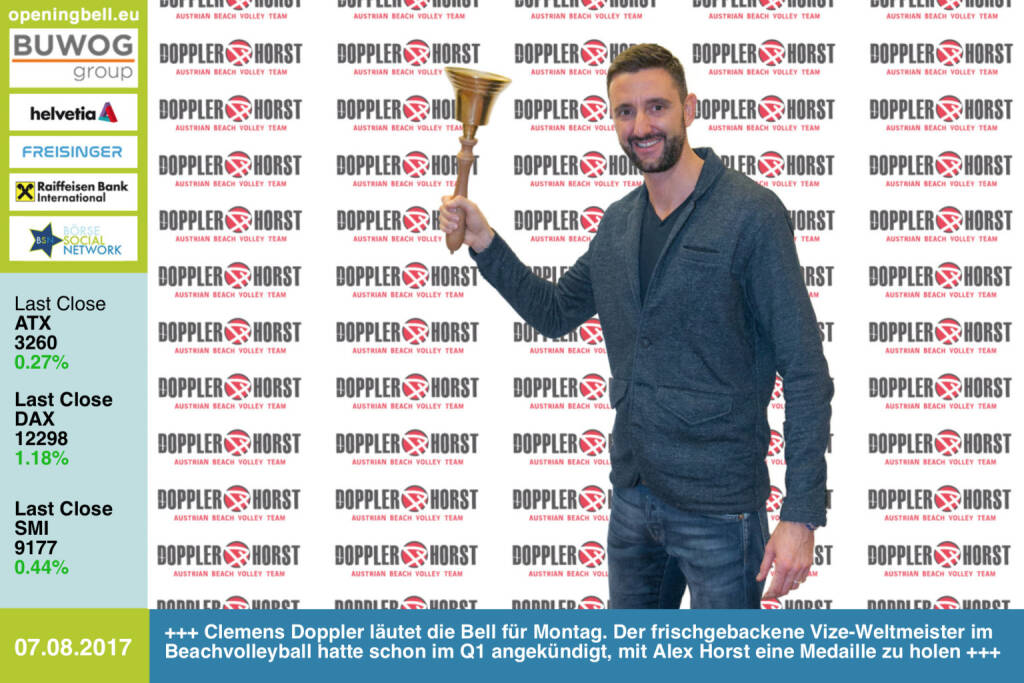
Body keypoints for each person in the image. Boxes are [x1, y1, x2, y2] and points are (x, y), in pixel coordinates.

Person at [439, 44, 832, 609]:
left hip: (721, 511)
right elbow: (555, 311)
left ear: (688, 108)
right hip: (632, 502)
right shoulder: (618, 223)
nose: (641, 126)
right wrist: (485, 242)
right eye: (625, 111)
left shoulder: (751, 214)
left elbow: (805, 369)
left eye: (656, 107)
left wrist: (801, 513)